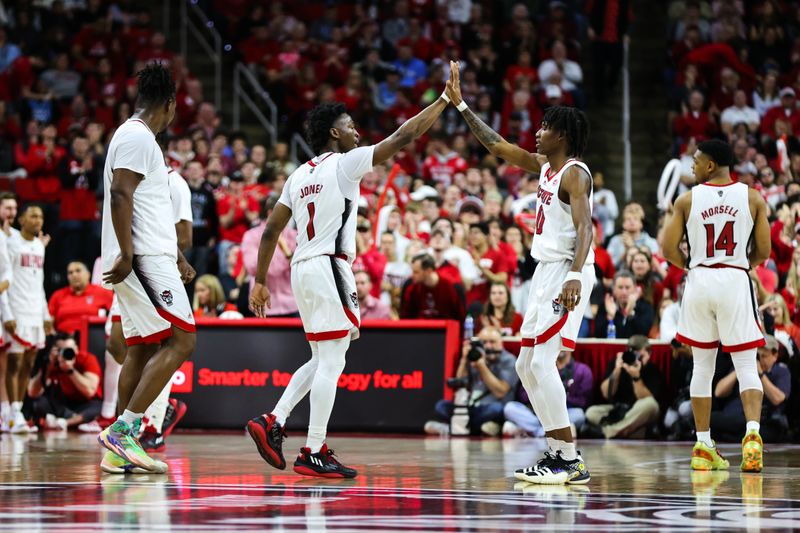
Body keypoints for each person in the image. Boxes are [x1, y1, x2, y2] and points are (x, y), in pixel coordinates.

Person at [246, 68, 452, 479]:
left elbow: (271, 230)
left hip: (303, 269)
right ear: (335, 134)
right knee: (333, 360)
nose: (357, 131)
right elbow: (403, 137)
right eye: (350, 126)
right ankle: (313, 449)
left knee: (323, 356)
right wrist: (444, 101)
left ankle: (274, 420)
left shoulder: (297, 174)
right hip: (328, 265)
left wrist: (260, 280)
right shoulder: (344, 164)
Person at [447, 62, 593, 484]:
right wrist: (461, 106)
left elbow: (587, 227)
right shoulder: (546, 167)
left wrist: (576, 276)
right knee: (528, 365)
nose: (537, 132)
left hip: (568, 269)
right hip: (545, 271)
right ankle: (558, 454)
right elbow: (498, 146)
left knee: (542, 363)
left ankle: (568, 458)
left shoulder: (574, 172)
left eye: (545, 127)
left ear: (561, 135)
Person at [98, 64, 196, 474]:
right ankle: (124, 431)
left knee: (141, 347)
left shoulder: (128, 133)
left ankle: (117, 450)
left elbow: (141, 205)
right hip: (142, 259)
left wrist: (175, 255)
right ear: (170, 105)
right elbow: (121, 194)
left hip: (147, 255)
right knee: (183, 341)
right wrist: (127, 253)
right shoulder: (139, 137)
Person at [662, 138, 771, 473]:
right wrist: (738, 264)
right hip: (735, 279)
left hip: (699, 281)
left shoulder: (686, 199)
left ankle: (703, 444)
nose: (691, 166)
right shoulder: (753, 198)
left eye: (695, 161)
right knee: (746, 365)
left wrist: (694, 264)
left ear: (710, 165)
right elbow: (764, 252)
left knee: (702, 367)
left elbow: (667, 248)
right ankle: (752, 435)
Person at [2, 204, 53, 433]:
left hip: (34, 310)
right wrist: (7, 313)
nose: (38, 220)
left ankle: (19, 411)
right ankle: (11, 414)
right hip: (16, 309)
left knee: (29, 364)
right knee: (14, 362)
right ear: (21, 220)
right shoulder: (10, 243)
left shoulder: (39, 247)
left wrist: (45, 314)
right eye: (33, 216)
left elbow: (38, 282)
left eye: (40, 216)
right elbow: (5, 279)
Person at [424, 326, 519, 436]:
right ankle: (476, 428)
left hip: (492, 407)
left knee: (497, 409)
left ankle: (453, 428)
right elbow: (460, 382)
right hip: (470, 408)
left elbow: (501, 391)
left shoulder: (509, 360)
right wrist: (464, 359)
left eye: (492, 342)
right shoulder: (474, 356)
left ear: (500, 343)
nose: (488, 346)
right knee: (441, 406)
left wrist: (482, 367)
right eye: (484, 342)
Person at [711, 336, 791, 443]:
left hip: (760, 420)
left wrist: (761, 374)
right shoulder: (744, 367)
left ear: (775, 355)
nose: (760, 359)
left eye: (764, 356)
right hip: (732, 416)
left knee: (770, 430)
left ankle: (730, 435)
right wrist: (739, 370)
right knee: (709, 418)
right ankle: (737, 436)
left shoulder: (781, 371)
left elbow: (778, 398)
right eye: (758, 356)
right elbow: (718, 392)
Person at [584, 335, 663, 439]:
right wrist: (617, 370)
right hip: (619, 411)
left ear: (649, 353)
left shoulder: (652, 369)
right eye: (633, 354)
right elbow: (606, 393)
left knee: (651, 404)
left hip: (638, 412)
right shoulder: (617, 364)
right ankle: (630, 432)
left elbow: (646, 399)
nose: (636, 358)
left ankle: (608, 432)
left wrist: (636, 377)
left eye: (640, 355)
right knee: (591, 412)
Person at [27, 333, 102, 430]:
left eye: (69, 349)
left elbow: (89, 391)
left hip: (86, 403)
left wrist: (70, 370)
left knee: (98, 408)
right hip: (64, 404)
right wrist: (48, 367)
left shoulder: (87, 359)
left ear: (76, 349)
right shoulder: (53, 363)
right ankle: (75, 421)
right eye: (60, 350)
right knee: (40, 402)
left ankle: (65, 422)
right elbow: (32, 393)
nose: (66, 353)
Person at [241, 196, 298, 317]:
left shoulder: (295, 235)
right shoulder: (251, 235)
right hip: (262, 305)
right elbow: (252, 267)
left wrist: (286, 250)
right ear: (271, 213)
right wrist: (281, 255)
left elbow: (299, 271)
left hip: (292, 305)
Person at [48, 261, 113, 334]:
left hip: (93, 339)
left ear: (88, 274)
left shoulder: (102, 292)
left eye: (78, 271)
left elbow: (117, 314)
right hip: (63, 340)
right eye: (70, 273)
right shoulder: (58, 295)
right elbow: (48, 322)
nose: (74, 275)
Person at [400, 253, 465, 320]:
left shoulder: (450, 287)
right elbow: (405, 316)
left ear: (429, 271)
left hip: (445, 328)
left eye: (416, 272)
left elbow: (460, 316)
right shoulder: (412, 288)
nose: (412, 275)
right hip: (420, 328)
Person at [595, 270, 656, 339]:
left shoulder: (646, 307)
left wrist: (630, 314)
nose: (624, 292)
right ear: (614, 289)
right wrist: (610, 318)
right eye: (620, 287)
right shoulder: (605, 306)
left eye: (627, 287)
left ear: (635, 288)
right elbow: (598, 334)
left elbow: (644, 333)